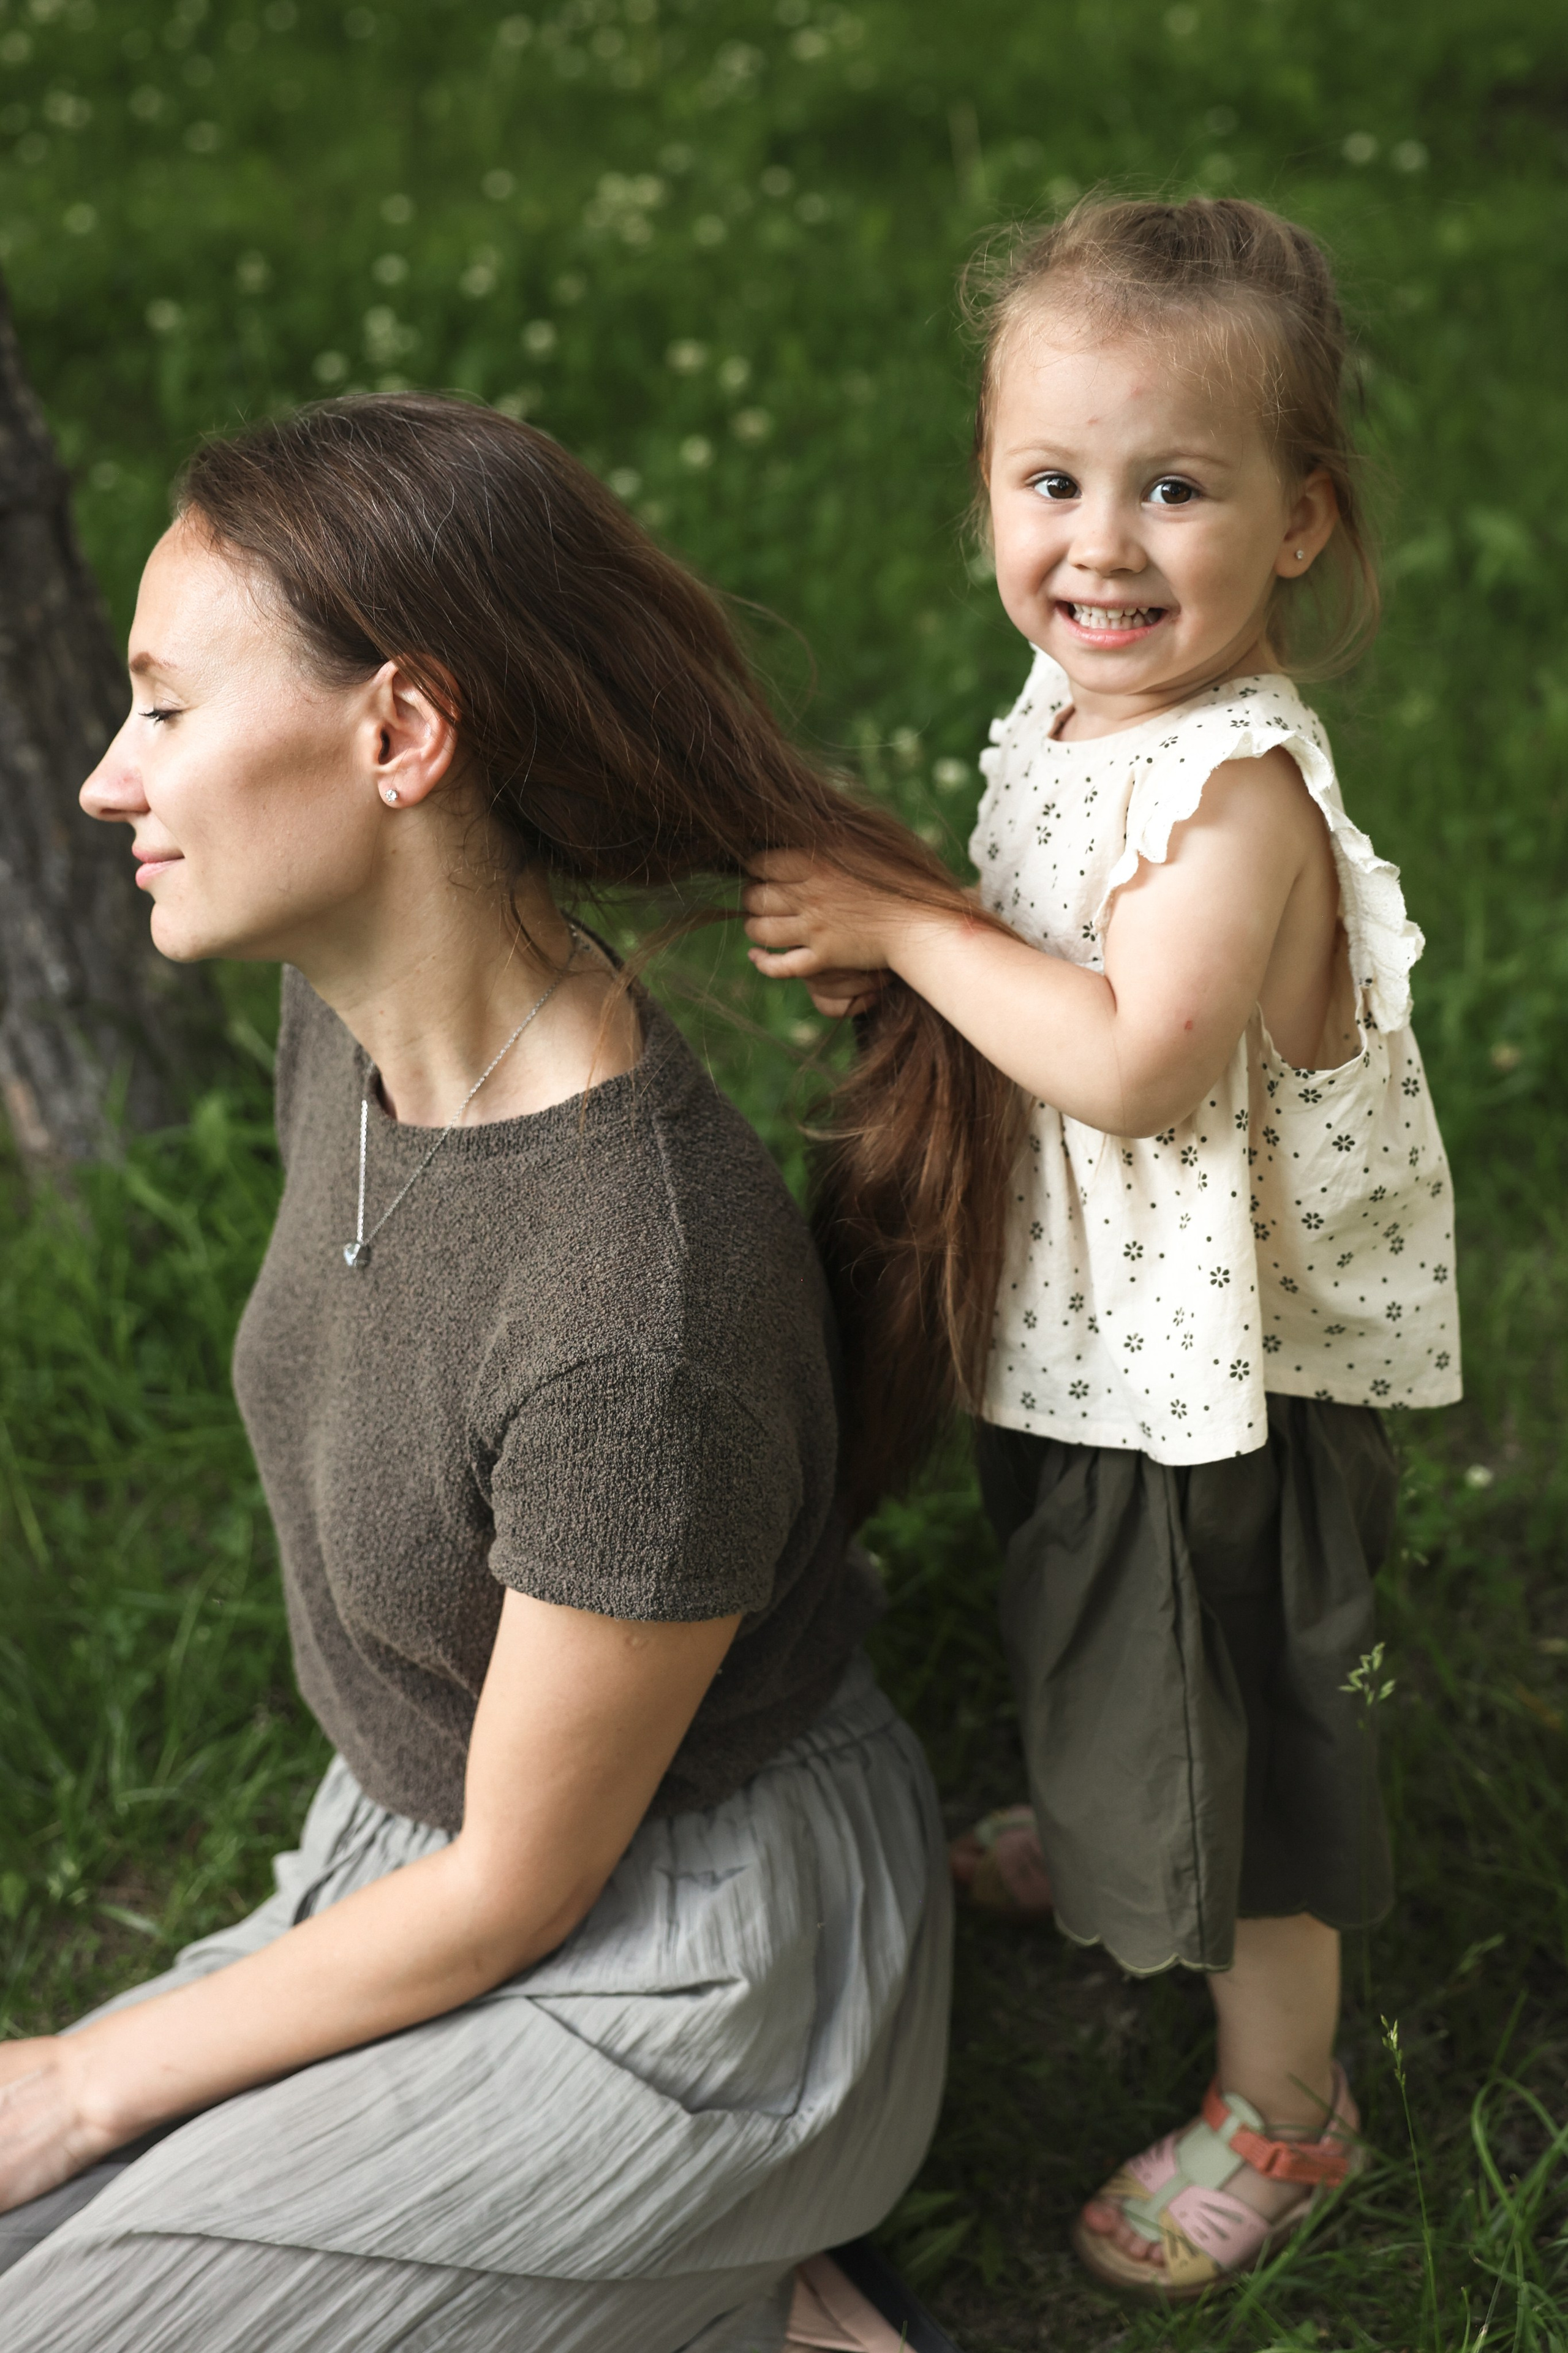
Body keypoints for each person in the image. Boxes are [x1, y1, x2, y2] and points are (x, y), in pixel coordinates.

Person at [0, 393, 973, 2353]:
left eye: (168, 710)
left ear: (400, 736)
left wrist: (84, 2078)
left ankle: (717, 2248)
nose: (108, 779)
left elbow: (527, 1881)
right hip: (429, 1851)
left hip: (681, 1964)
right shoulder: (343, 1025)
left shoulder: (639, 1297)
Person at [742, 196, 1460, 2302]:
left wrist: (914, 936)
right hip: (1110, 1340)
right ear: (986, 487)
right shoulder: (1068, 720)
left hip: (1231, 1380)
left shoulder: (1233, 788)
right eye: (1052, 483)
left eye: (1177, 487)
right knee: (1089, 1608)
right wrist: (923, 980)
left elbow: (1141, 1066)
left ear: (1303, 521)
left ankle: (1288, 2109)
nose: (1104, 546)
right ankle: (1121, 1796)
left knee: (1252, 1717)